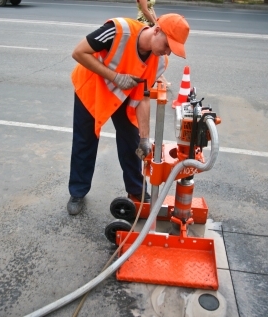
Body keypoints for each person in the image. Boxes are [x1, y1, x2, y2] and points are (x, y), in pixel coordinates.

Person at [67, 13, 190, 215]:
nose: (167, 52)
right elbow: (79, 53)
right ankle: (78, 192)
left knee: (132, 141)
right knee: (85, 140)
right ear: (157, 30)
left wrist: (145, 137)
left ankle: (136, 192)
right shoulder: (118, 30)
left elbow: (142, 97)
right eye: (167, 45)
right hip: (92, 87)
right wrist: (115, 77)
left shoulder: (160, 62)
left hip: (122, 93)